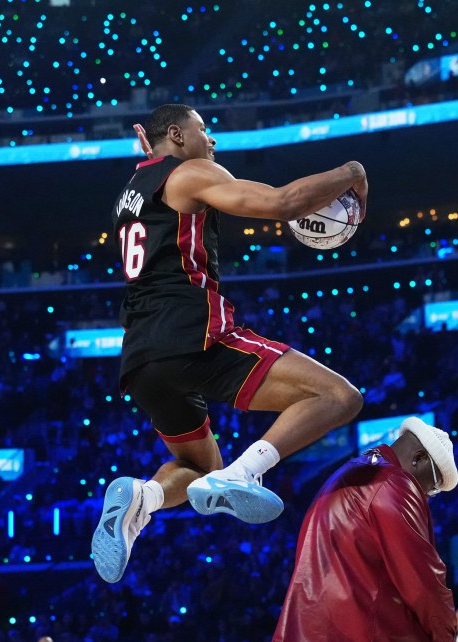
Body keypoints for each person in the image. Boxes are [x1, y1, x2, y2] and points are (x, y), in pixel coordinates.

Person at [91, 102, 368, 582]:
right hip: (194, 336)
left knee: (196, 466)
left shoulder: (128, 195)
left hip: (141, 358)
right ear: (176, 135)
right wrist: (351, 172)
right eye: (204, 129)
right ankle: (244, 474)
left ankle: (142, 498)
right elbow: (281, 203)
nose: (212, 140)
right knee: (339, 396)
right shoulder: (189, 172)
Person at [268, 416, 458, 642]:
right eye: (434, 486)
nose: (429, 494)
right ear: (419, 459)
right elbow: (423, 580)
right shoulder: (393, 483)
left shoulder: (346, 473)